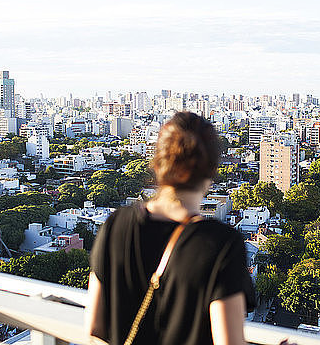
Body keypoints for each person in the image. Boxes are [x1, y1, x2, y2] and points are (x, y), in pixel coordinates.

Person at [85, 111, 255, 345]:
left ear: (157, 164)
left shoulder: (116, 226)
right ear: (211, 170)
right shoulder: (221, 245)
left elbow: (94, 330)